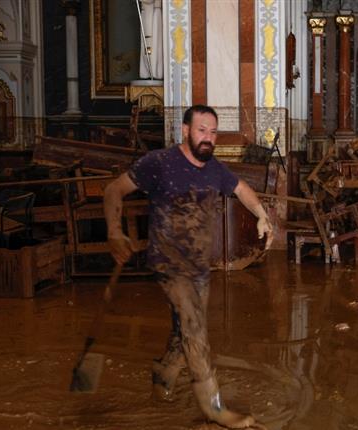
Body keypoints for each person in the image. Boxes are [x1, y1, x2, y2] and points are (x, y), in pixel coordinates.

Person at [102, 105, 271, 428]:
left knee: (184, 333)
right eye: (201, 130)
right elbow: (114, 189)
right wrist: (114, 231)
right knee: (195, 328)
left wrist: (261, 213)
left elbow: (242, 190)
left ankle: (163, 374)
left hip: (199, 268)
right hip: (169, 264)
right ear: (184, 131)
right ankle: (215, 408)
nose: (208, 138)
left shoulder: (214, 169)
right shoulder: (159, 163)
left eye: (213, 132)